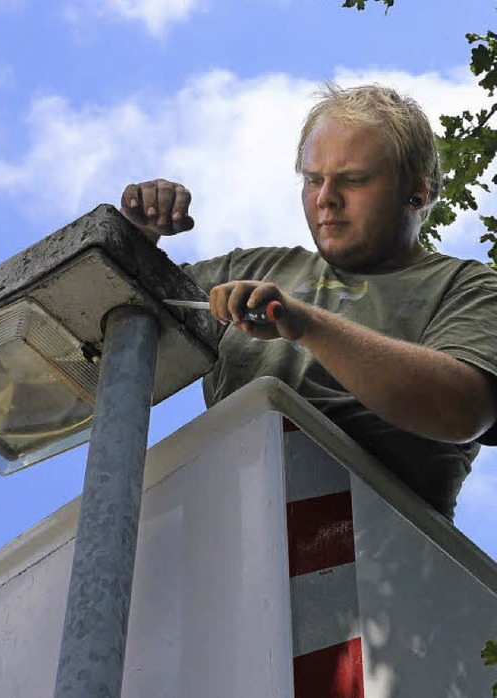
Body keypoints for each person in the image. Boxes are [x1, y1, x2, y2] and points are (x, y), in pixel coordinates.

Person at [119, 84, 497, 521]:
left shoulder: (469, 287)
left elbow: (460, 410)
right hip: (232, 545)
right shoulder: (249, 268)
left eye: (353, 180)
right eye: (313, 179)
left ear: (416, 192)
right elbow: (114, 331)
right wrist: (135, 241)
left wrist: (305, 324)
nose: (325, 198)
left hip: (388, 563)